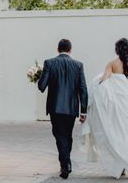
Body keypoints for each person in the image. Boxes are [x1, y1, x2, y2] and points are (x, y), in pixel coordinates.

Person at [82, 38, 128, 179]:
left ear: (117, 50)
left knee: (119, 134)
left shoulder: (112, 64)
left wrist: (95, 87)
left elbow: (104, 80)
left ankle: (122, 164)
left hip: (117, 106)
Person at [38, 39, 88, 180]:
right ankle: (66, 163)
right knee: (67, 135)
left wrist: (39, 76)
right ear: (70, 50)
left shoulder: (49, 63)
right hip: (71, 108)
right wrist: (83, 111)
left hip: (55, 108)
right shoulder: (78, 65)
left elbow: (41, 86)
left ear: (57, 49)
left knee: (59, 135)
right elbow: (83, 89)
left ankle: (65, 165)